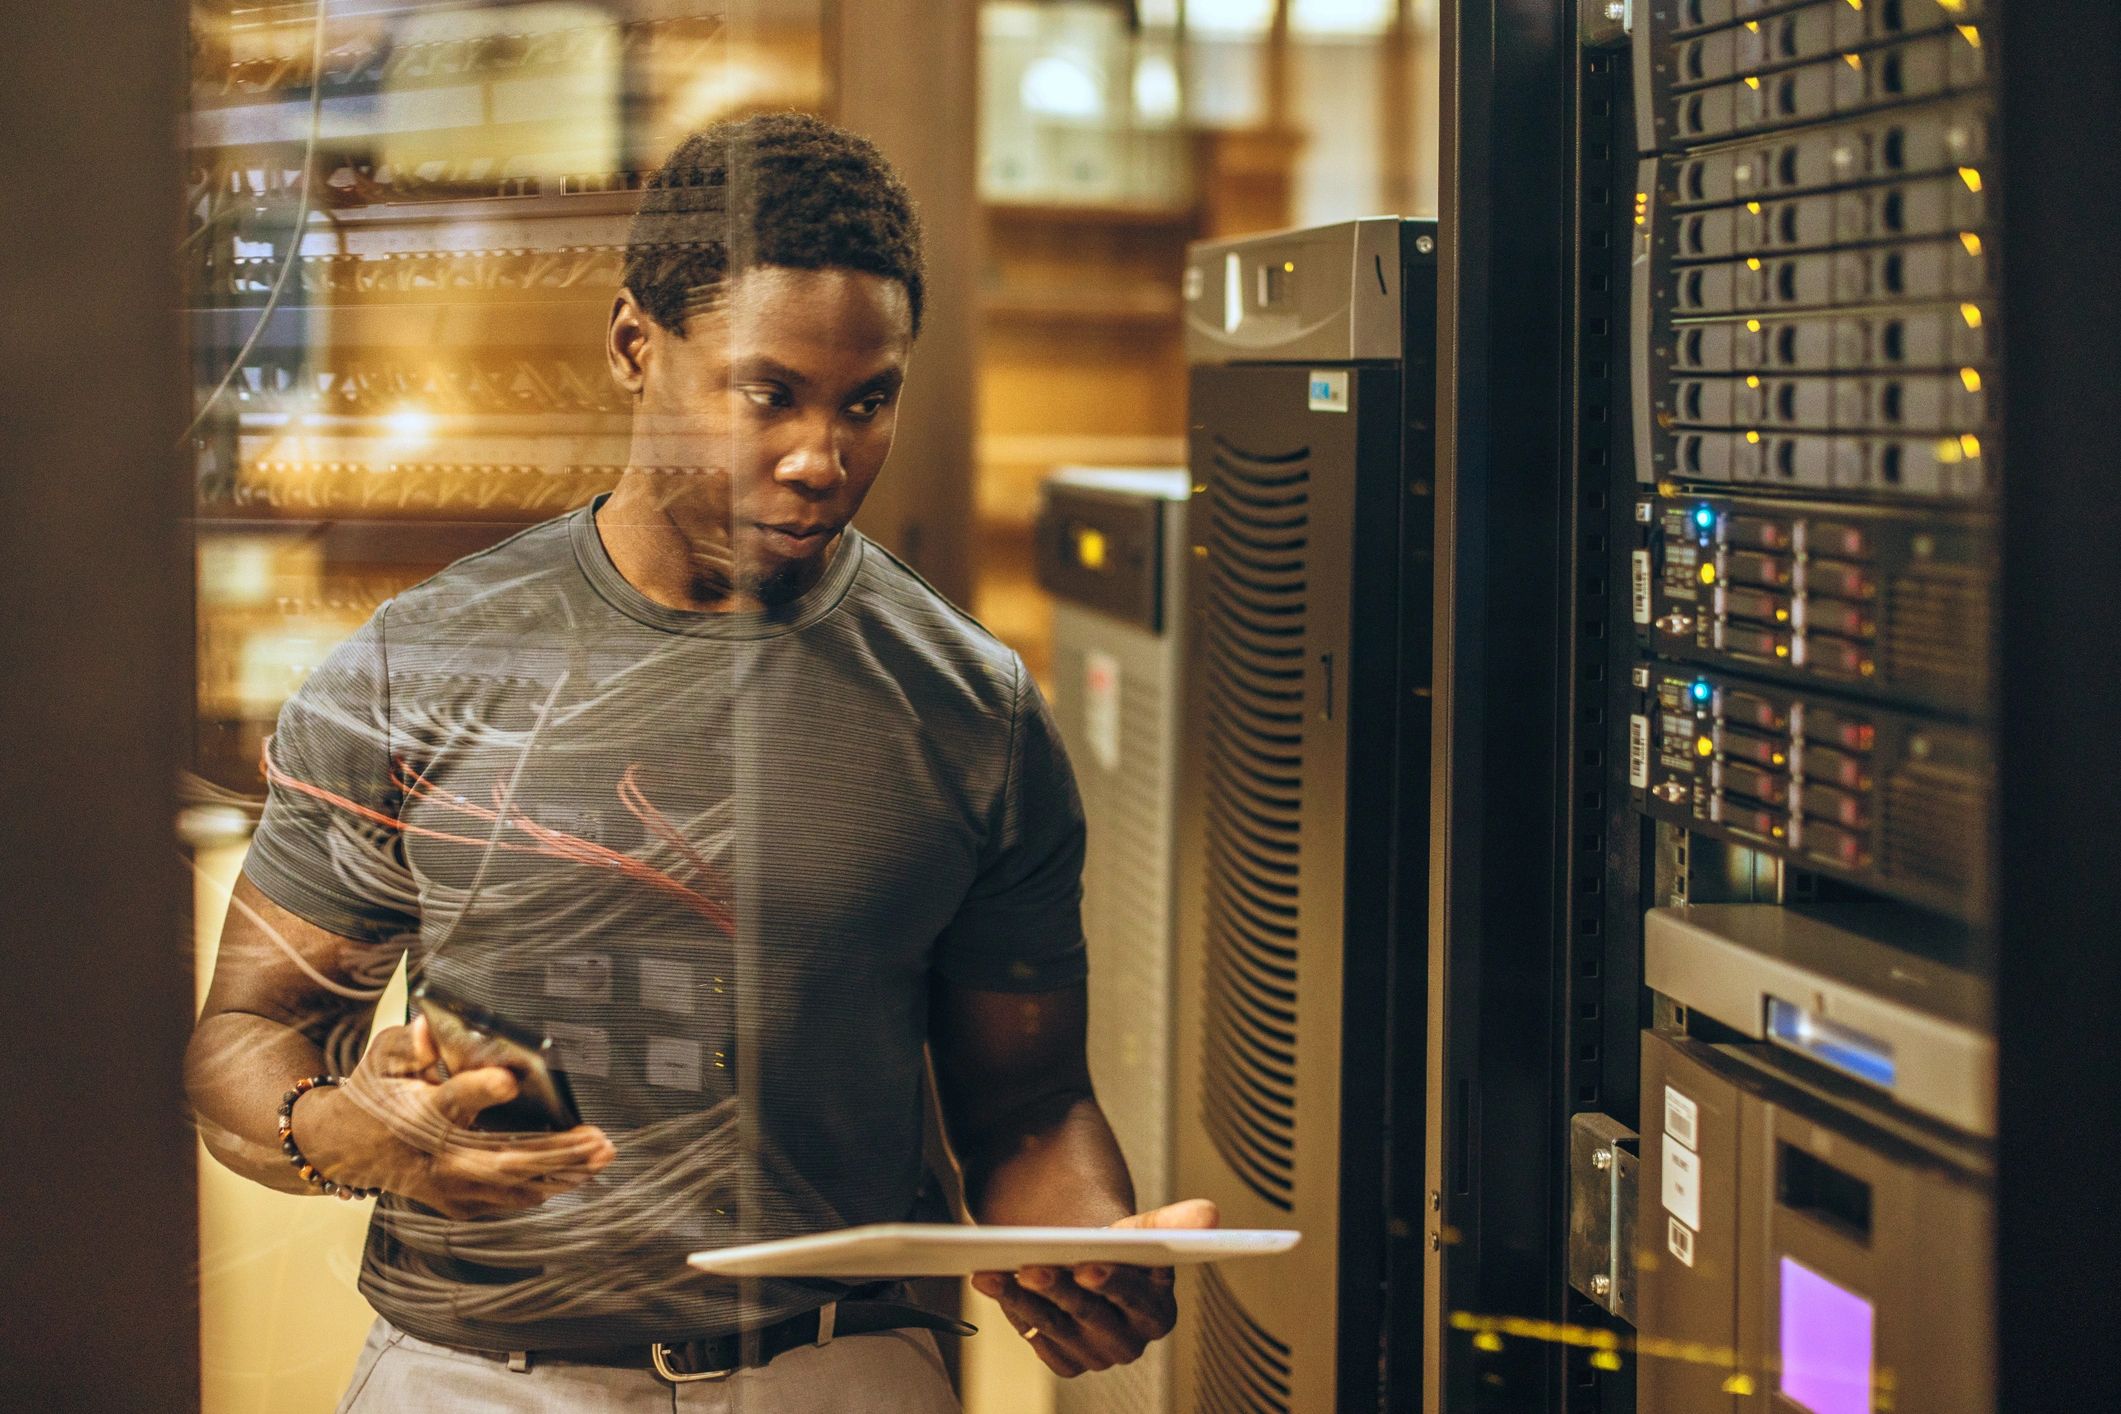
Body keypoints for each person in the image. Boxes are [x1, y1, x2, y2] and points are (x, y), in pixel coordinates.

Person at [185, 111, 1213, 1412]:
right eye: (767, 392)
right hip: (476, 1376)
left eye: (868, 400)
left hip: (842, 1369)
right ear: (635, 345)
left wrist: (1080, 1245)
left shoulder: (972, 711)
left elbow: (1026, 1103)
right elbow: (245, 1036)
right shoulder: (416, 668)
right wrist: (349, 1131)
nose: (818, 459)